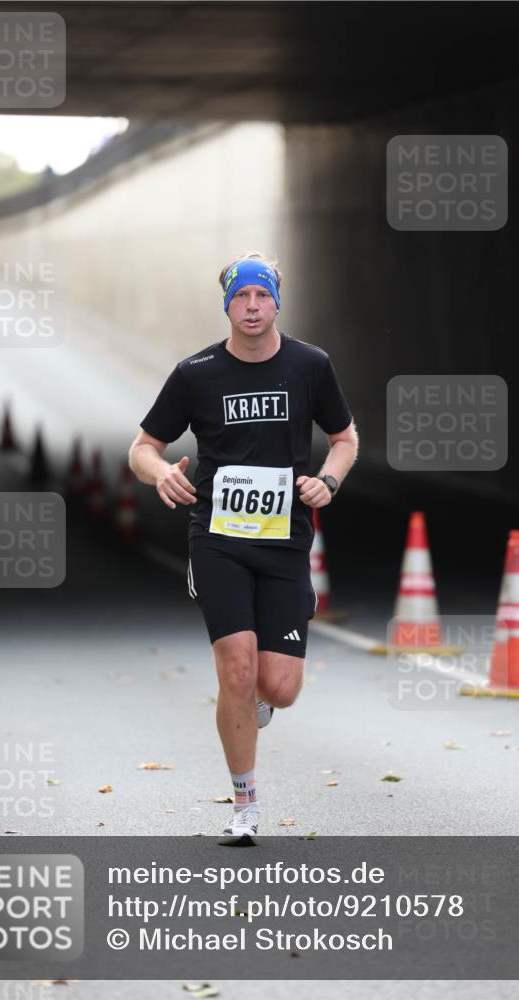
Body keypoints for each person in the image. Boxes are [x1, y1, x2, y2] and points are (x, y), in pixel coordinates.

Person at [129, 253, 358, 844]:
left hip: (284, 542)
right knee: (237, 669)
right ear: (226, 304)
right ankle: (245, 805)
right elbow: (143, 446)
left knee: (278, 687)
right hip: (218, 540)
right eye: (240, 297)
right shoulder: (196, 373)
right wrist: (159, 472)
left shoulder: (310, 365)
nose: (251, 307)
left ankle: (256, 702)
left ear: (276, 301)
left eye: (261, 296)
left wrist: (327, 481)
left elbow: (344, 438)